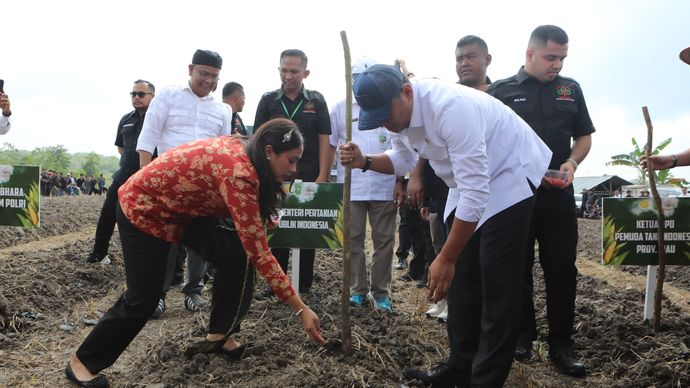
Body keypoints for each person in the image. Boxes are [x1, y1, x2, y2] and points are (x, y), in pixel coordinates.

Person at [65, 118, 325, 387]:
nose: (294, 169)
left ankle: (220, 336)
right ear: (270, 151)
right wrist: (300, 308)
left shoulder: (250, 153)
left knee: (235, 250)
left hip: (184, 210)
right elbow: (260, 252)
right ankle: (82, 363)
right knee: (144, 297)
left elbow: (257, 226)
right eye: (291, 161)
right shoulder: (240, 173)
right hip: (145, 207)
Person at [340, 64, 551, 387]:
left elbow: (478, 189)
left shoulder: (451, 108)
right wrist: (365, 161)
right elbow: (404, 161)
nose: (385, 122)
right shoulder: (399, 117)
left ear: (406, 92)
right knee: (465, 279)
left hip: (509, 175)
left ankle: (485, 379)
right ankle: (459, 366)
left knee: (496, 280)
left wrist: (446, 257)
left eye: (385, 113)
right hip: (468, 183)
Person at [488, 25, 594, 377]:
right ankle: (522, 336)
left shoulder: (571, 89)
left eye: (562, 58)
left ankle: (561, 345)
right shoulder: (501, 91)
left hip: (558, 195)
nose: (557, 65)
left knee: (562, 268)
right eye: (551, 57)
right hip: (516, 195)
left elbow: (583, 137)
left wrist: (572, 163)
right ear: (530, 54)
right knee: (517, 267)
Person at [136, 49, 231, 316]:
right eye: (203, 73)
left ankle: (193, 292)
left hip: (204, 189)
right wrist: (145, 180)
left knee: (200, 240)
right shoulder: (168, 96)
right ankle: (157, 295)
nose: (208, 80)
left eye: (214, 76)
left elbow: (222, 152)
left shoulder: (222, 110)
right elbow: (148, 139)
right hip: (167, 185)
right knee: (164, 241)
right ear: (190, 70)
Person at [253, 49, 332, 299]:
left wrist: (323, 176)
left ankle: (304, 283)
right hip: (274, 177)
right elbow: (256, 140)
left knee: (305, 228)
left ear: (305, 73)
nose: (288, 76)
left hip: (308, 174)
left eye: (294, 71)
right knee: (277, 228)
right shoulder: (268, 101)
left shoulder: (316, 101)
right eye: (284, 70)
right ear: (279, 70)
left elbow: (324, 139)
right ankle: (276, 284)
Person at [328, 57, 397, 313]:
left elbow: (399, 148)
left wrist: (400, 180)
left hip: (384, 183)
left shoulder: (387, 106)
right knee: (353, 239)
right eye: (357, 78)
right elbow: (331, 144)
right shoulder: (340, 108)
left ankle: (381, 293)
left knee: (384, 240)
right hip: (352, 185)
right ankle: (357, 290)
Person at [85, 80, 155, 265]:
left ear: (152, 97)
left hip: (148, 179)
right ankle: (99, 254)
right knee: (108, 213)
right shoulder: (126, 119)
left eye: (141, 94)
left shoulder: (158, 119)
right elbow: (121, 148)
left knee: (147, 219)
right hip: (123, 176)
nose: (136, 97)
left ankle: (147, 261)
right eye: (133, 94)